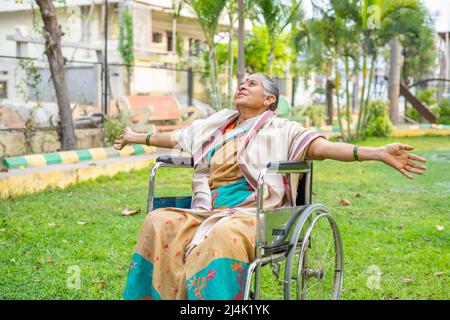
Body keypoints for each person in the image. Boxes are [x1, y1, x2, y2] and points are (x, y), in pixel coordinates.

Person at [113, 73, 427, 300]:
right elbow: (174, 138)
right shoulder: (214, 126)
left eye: (252, 83)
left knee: (225, 234)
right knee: (158, 220)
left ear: (269, 99)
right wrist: (135, 137)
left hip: (254, 213)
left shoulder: (282, 130)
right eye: (241, 82)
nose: (242, 85)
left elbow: (323, 148)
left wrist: (375, 153)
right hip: (206, 209)